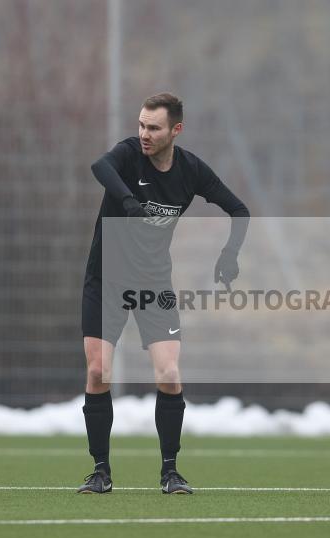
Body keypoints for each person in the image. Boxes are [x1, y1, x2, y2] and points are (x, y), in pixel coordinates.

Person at [79, 93, 249, 495]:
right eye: (141, 125)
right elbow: (99, 166)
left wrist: (230, 254)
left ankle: (170, 472)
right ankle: (100, 471)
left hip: (154, 283)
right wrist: (127, 202)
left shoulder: (191, 170)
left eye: (153, 128)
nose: (144, 134)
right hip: (106, 280)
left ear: (176, 130)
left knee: (170, 376)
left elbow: (239, 210)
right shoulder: (126, 155)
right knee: (98, 371)